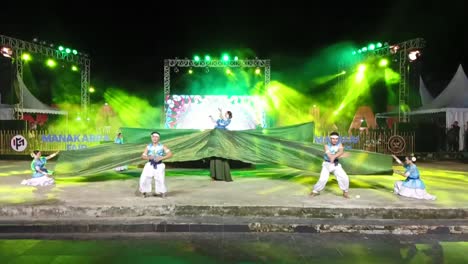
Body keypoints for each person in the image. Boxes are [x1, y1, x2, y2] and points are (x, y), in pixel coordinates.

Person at [310, 132, 350, 198]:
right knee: (323, 179)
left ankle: (345, 192)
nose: (335, 140)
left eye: (336, 139)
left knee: (344, 177)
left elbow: (340, 151)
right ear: (330, 139)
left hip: (335, 164)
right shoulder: (326, 146)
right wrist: (338, 156)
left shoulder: (340, 145)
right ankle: (315, 191)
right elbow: (329, 155)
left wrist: (335, 156)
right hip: (327, 164)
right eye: (333, 139)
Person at [139, 131, 173, 198]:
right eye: (153, 137)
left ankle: (162, 192)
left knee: (160, 179)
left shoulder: (162, 146)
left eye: (156, 137)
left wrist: (162, 158)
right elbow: (143, 156)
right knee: (145, 177)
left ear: (159, 138)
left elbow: (170, 154)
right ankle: (144, 191)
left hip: (159, 165)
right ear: (151, 138)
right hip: (150, 164)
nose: (155, 138)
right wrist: (149, 157)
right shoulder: (148, 146)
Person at [208, 108, 233, 182]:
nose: (225, 114)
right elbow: (215, 122)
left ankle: (222, 174)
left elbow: (222, 123)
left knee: (221, 154)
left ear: (229, 115)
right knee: (215, 154)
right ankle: (214, 175)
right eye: (225, 113)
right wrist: (212, 117)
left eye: (227, 113)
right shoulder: (221, 120)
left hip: (221, 137)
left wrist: (221, 114)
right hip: (216, 136)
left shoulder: (227, 121)